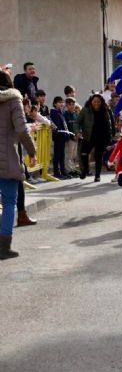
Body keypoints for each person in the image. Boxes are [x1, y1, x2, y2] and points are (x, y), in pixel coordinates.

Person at [0, 71, 37, 260]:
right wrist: (32, 151)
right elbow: (22, 130)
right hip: (8, 159)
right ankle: (3, 247)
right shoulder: (13, 100)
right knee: (8, 203)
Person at [75, 94, 116, 182]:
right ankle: (85, 169)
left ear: (101, 102)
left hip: (103, 136)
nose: (96, 103)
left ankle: (97, 176)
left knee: (98, 156)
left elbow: (112, 121)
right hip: (88, 136)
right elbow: (77, 122)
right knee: (83, 153)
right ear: (91, 101)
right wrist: (77, 132)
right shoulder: (85, 110)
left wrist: (112, 133)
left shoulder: (106, 109)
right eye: (94, 102)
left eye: (98, 102)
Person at [50, 96, 74, 179]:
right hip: (58, 137)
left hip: (62, 137)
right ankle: (57, 172)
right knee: (57, 155)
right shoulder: (54, 112)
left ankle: (63, 171)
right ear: (55, 104)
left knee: (61, 155)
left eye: (62, 102)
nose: (61, 104)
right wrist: (64, 133)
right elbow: (57, 126)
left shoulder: (60, 112)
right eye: (59, 102)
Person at [63, 97, 80, 176]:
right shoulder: (65, 115)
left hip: (76, 137)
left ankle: (73, 168)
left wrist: (78, 134)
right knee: (68, 154)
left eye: (73, 104)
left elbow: (78, 125)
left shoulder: (75, 114)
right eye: (70, 104)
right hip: (69, 137)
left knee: (74, 154)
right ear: (66, 105)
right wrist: (71, 135)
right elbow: (66, 126)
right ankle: (68, 169)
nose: (72, 106)